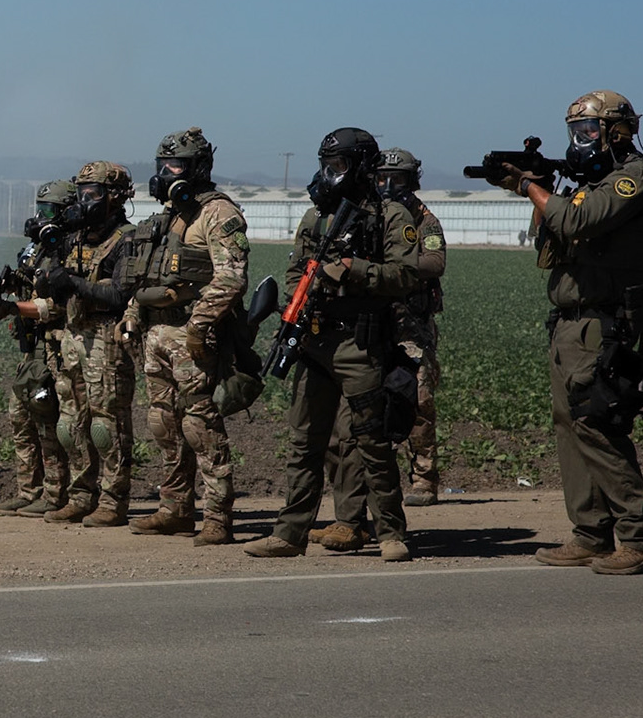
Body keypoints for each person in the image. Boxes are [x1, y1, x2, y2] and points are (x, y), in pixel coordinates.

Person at [490, 91, 643, 575]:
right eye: (575, 133)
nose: (581, 141)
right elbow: (553, 235)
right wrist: (532, 185)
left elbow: (577, 218)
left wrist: (532, 185)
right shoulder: (591, 182)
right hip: (572, 322)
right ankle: (591, 533)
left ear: (618, 131)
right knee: (570, 428)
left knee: (598, 425)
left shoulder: (635, 176)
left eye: (589, 132)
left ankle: (639, 537)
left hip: (608, 322)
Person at [245, 128, 427, 563]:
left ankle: (390, 533)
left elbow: (406, 275)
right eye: (326, 165)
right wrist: (296, 309)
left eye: (339, 166)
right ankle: (290, 534)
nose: (329, 175)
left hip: (358, 343)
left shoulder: (391, 216)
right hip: (314, 341)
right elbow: (296, 273)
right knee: (304, 443)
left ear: (361, 166)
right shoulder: (317, 217)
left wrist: (352, 269)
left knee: (371, 441)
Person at [309, 146, 448, 551]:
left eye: (397, 180)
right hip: (372, 324)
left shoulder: (422, 218)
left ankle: (424, 477)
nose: (388, 186)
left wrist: (393, 264)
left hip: (411, 326)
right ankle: (350, 517)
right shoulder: (367, 214)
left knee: (415, 402)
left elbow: (434, 262)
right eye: (382, 178)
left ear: (411, 182)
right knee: (353, 423)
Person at [120, 128, 250, 545]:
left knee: (200, 425)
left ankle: (217, 516)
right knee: (163, 423)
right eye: (161, 166)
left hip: (193, 337)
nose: (165, 173)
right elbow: (151, 274)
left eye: (174, 166)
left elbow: (231, 279)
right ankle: (175, 508)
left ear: (198, 168)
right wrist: (132, 317)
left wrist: (199, 326)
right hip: (158, 335)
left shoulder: (218, 214)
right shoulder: (173, 215)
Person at [35, 161, 140, 527]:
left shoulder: (128, 239)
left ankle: (113, 500)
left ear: (115, 198)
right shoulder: (73, 237)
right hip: (73, 336)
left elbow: (119, 293)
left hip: (106, 340)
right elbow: (50, 280)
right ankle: (81, 496)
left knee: (106, 427)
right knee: (70, 425)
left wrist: (74, 285)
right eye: (81, 193)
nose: (84, 201)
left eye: (92, 194)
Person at [0, 182, 80, 516]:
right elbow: (23, 282)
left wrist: (14, 309)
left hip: (58, 346)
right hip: (32, 347)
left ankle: (55, 494)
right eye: (40, 208)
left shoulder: (70, 249)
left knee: (48, 421)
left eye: (49, 210)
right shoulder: (36, 249)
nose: (42, 217)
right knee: (20, 417)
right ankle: (29, 490)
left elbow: (61, 304)